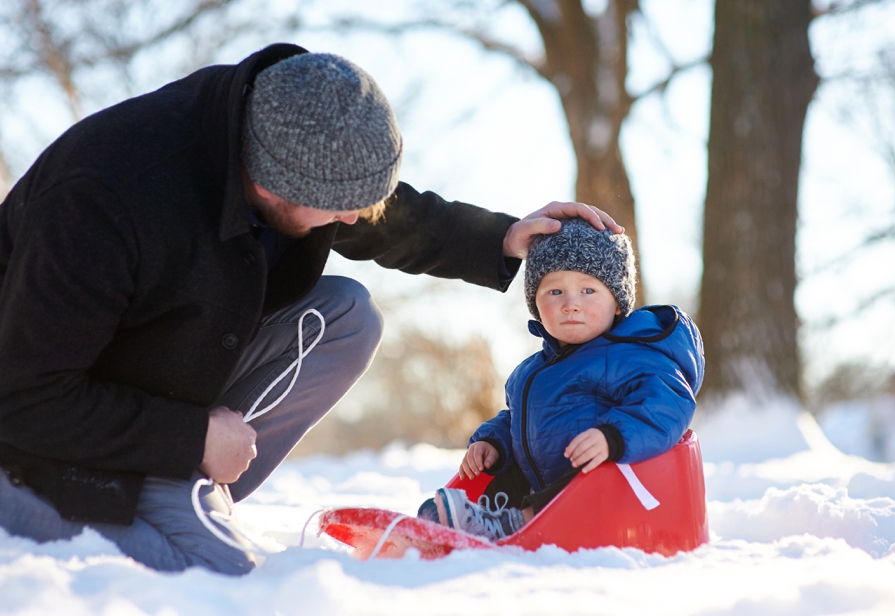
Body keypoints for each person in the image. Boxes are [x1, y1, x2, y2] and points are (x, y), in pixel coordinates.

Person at [0, 44, 621, 575]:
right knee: (207, 577)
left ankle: (185, 483)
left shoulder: (281, 119)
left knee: (347, 315)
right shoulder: (103, 201)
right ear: (273, 186)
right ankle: (131, 497)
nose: (353, 221)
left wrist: (501, 237)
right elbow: (23, 395)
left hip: (153, 395)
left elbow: (384, 215)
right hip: (31, 429)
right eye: (339, 207)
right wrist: (190, 436)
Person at [418, 219, 704, 541]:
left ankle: (512, 523)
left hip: (612, 502)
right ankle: (470, 516)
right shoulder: (531, 371)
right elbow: (522, 421)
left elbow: (667, 402)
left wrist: (612, 436)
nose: (570, 304)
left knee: (593, 462)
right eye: (555, 291)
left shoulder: (632, 355)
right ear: (535, 304)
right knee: (509, 469)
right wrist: (493, 441)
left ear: (617, 301)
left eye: (588, 290)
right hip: (544, 488)